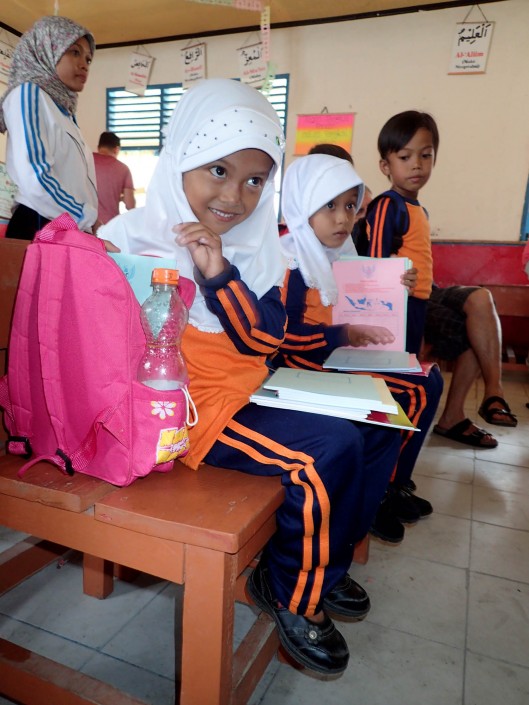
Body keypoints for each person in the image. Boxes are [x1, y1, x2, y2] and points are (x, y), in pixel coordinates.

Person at [99, 78, 404, 677]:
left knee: (377, 424)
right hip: (188, 410)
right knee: (323, 454)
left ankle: (324, 565)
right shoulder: (122, 242)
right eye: (218, 170)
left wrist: (220, 275)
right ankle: (292, 591)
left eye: (256, 180)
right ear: (180, 158)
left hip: (252, 388)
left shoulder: (264, 249)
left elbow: (264, 339)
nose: (235, 196)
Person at [273, 153, 443, 544]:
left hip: (335, 358)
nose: (342, 219)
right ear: (301, 204)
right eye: (329, 205)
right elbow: (284, 337)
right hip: (302, 366)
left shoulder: (341, 253)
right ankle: (382, 492)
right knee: (412, 391)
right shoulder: (291, 260)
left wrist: (395, 285)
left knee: (428, 378)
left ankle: (392, 486)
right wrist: (342, 334)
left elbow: (361, 301)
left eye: (350, 206)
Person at [0, 16, 98, 240]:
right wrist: (85, 216)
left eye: (88, 59)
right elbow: (36, 176)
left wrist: (88, 223)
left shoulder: (64, 111)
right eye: (74, 52)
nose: (84, 64)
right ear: (46, 49)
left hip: (64, 223)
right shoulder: (28, 94)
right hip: (39, 223)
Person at [365, 110, 439, 356]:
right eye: (405, 157)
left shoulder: (419, 210)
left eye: (425, 155)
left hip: (418, 300)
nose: (416, 164)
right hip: (396, 302)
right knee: (394, 364)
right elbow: (376, 261)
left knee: (409, 359)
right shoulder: (388, 205)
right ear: (385, 166)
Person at [426, 285, 517, 448]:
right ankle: (452, 416)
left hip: (427, 286)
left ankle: (494, 391)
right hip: (401, 293)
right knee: (474, 325)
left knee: (481, 297)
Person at [93, 131, 135, 225]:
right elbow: (130, 206)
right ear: (116, 149)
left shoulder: (86, 161)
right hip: (110, 225)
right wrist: (122, 198)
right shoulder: (123, 169)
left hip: (86, 225)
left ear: (98, 147)